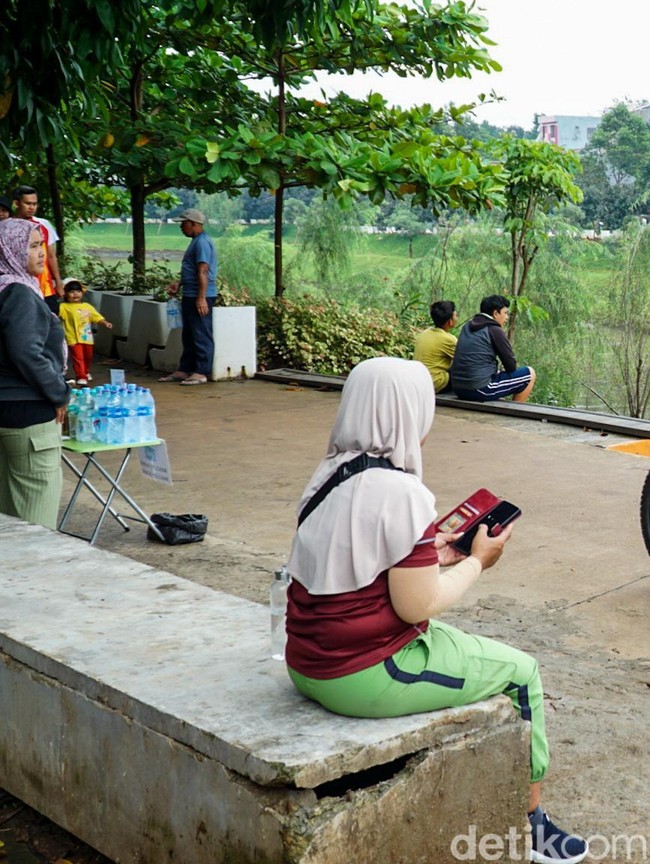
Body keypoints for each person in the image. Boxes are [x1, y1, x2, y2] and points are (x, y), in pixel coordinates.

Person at [284, 357, 587, 864]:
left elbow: (361, 560)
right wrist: (477, 561)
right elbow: (417, 605)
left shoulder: (329, 472)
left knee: (465, 647)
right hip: (361, 672)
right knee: (522, 673)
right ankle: (530, 823)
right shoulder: (401, 492)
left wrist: (431, 550)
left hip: (306, 660)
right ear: (407, 414)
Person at [0, 218, 70, 530]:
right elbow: (26, 351)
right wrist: (60, 392)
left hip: (9, 411)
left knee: (9, 523)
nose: (41, 252)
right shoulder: (18, 293)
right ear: (10, 250)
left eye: (40, 244)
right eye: (31, 246)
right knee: (36, 531)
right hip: (27, 415)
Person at [158, 208, 217, 386]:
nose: (181, 227)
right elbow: (193, 270)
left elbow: (203, 270)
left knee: (201, 333)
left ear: (193, 224)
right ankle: (185, 369)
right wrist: (180, 283)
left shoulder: (202, 243)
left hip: (199, 295)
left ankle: (201, 371)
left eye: (183, 223)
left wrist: (201, 298)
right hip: (191, 293)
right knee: (189, 334)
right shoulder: (196, 241)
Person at [450, 295, 535, 402]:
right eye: (505, 313)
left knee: (497, 377)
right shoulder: (494, 329)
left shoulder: (467, 326)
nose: (507, 317)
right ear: (495, 313)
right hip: (479, 389)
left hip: (458, 388)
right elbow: (511, 366)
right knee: (529, 374)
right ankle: (515, 412)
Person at [12, 185, 63, 314]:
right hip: (18, 285)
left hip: (45, 284)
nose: (32, 207)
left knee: (52, 320)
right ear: (16, 203)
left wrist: (58, 281)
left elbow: (51, 256)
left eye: (34, 204)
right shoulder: (8, 227)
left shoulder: (44, 225)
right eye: (28, 203)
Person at [59, 278, 113, 386]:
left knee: (88, 357)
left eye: (78, 291)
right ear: (65, 294)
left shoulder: (87, 306)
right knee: (78, 358)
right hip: (72, 337)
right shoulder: (63, 307)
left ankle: (86, 372)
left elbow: (96, 316)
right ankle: (81, 376)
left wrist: (105, 323)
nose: (75, 294)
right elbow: (56, 316)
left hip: (86, 337)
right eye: (71, 291)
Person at [413, 299, 458, 393]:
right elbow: (465, 359)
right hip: (434, 383)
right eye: (455, 315)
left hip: (418, 382)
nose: (456, 318)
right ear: (450, 321)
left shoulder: (424, 333)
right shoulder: (449, 339)